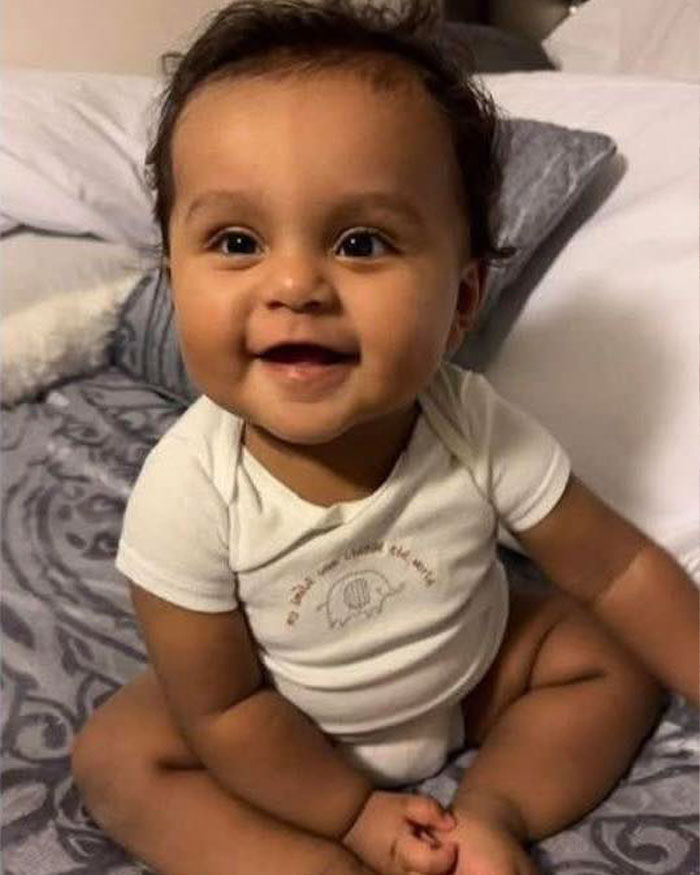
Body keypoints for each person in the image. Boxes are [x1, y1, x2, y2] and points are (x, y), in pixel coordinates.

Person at [71, 2, 699, 874]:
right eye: (238, 240)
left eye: (361, 242)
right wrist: (354, 814)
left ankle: (493, 811)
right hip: (285, 720)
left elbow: (618, 568)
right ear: (174, 285)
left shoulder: (470, 421)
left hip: (469, 679)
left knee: (609, 654)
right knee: (122, 754)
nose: (294, 282)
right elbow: (226, 710)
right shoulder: (189, 494)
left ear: (462, 303)